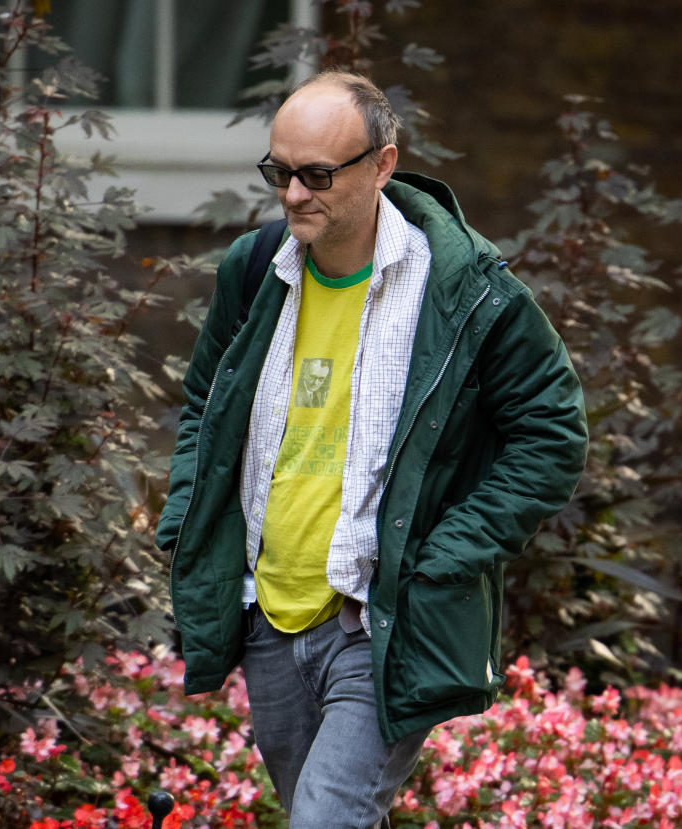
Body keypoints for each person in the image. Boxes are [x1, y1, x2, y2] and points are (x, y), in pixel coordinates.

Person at [155, 69, 588, 828]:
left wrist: (444, 555)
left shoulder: (466, 290)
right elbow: (206, 407)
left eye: (317, 174)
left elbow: (551, 432)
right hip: (269, 615)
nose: (293, 194)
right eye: (279, 172)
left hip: (381, 616)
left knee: (324, 819)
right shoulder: (255, 271)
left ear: (383, 164)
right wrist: (187, 513)